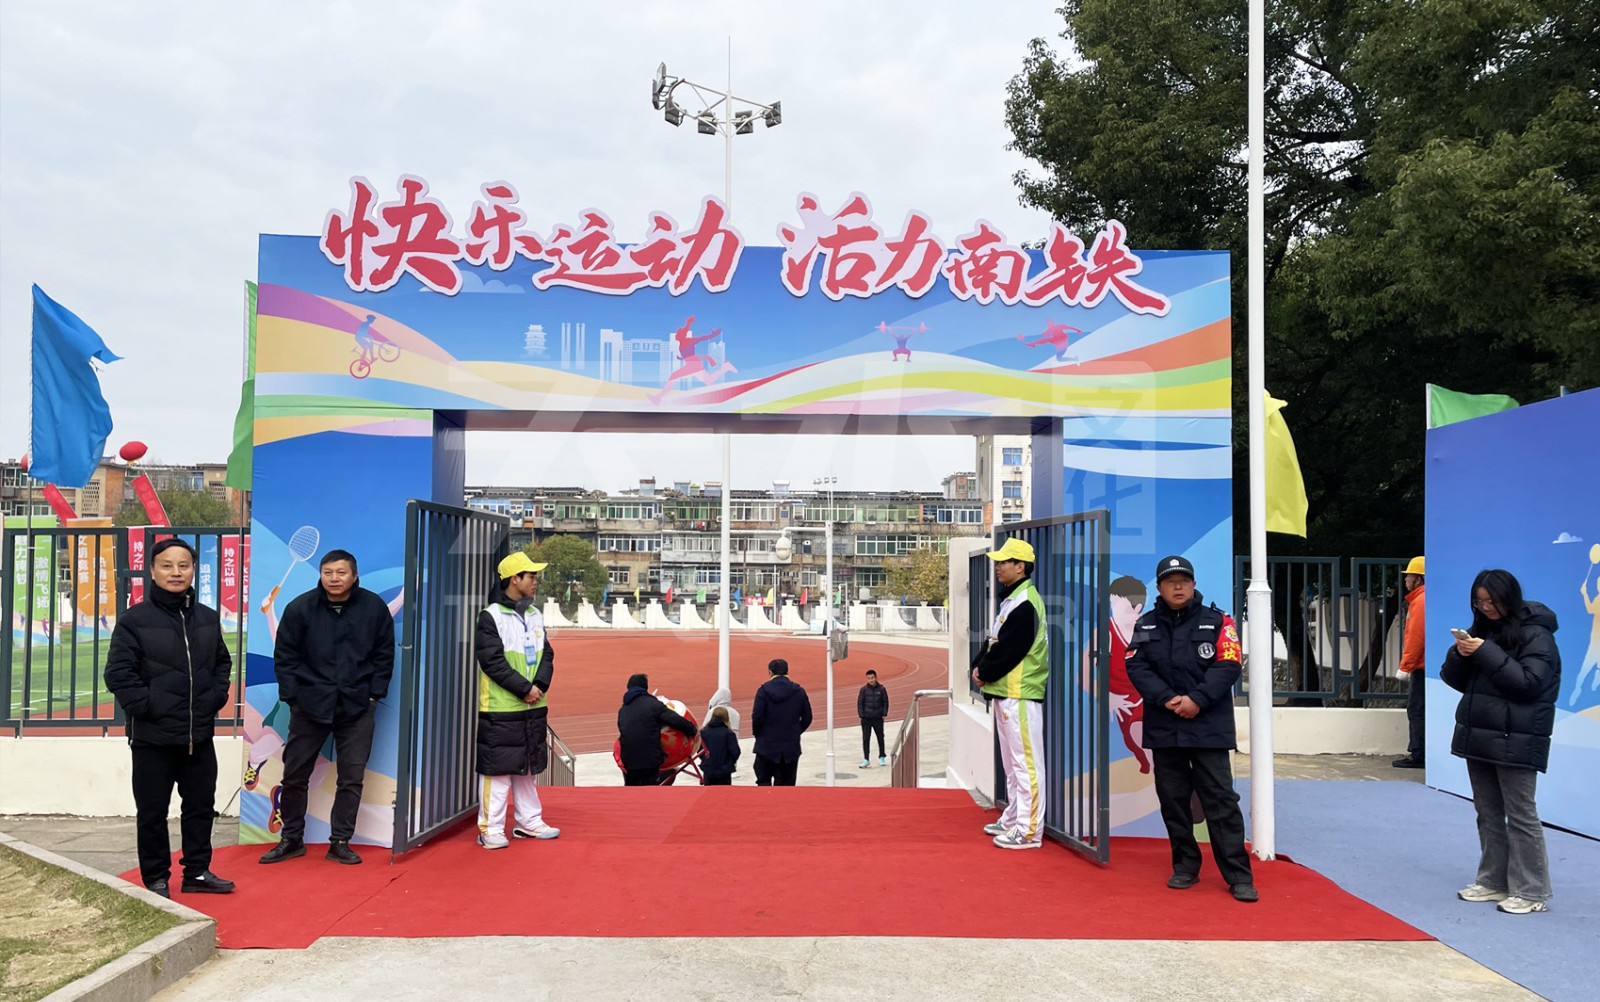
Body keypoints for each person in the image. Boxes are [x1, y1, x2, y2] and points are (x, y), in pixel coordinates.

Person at [104, 538, 235, 898]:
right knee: (152, 812)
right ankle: (156, 878)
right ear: (152, 570)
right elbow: (119, 675)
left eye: (183, 565)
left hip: (198, 735)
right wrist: (149, 707)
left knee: (200, 807)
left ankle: (197, 872)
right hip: (153, 738)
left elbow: (222, 663)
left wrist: (215, 698)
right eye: (167, 565)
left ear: (193, 570)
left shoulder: (207, 618)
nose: (176, 572)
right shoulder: (134, 621)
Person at [1125, 555, 1256, 901]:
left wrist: (1196, 699)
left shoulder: (1219, 621)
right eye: (1171, 582)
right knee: (1173, 800)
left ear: (1194, 584)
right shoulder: (1146, 624)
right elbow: (1136, 666)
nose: (1178, 587)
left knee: (1221, 800)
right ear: (1160, 587)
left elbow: (1229, 664)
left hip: (1209, 727)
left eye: (1183, 581)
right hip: (1165, 726)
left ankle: (1238, 875)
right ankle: (1185, 866)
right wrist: (1168, 698)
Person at [258, 549, 395, 866]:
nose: (334, 578)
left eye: (341, 572)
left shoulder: (373, 608)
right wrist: (293, 698)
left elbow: (384, 655)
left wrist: (373, 695)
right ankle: (291, 838)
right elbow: (285, 657)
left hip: (357, 705)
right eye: (328, 572)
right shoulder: (300, 608)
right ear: (320, 575)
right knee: (295, 775)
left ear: (354, 576)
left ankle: (341, 841)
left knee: (351, 777)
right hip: (309, 705)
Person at [1441, 569, 1561, 915]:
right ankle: (1493, 880)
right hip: (1479, 734)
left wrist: (1486, 652)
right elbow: (1455, 680)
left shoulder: (1537, 635)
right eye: (1479, 602)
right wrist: (1461, 654)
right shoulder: (1484, 632)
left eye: (1491, 601)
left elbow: (1528, 684)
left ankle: (1531, 890)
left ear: (1509, 598)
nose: (1485, 607)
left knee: (1521, 814)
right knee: (1488, 811)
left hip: (1518, 737)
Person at [471, 552, 561, 847]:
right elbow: (492, 662)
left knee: (528, 767)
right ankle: (490, 829)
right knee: (497, 770)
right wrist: (524, 688)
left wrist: (539, 685)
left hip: (534, 704)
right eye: (531, 576)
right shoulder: (491, 616)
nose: (535, 582)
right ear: (514, 579)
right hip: (501, 706)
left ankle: (529, 822)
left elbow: (547, 654)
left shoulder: (534, 614)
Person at [970, 538, 1049, 850]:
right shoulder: (1013, 599)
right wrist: (979, 667)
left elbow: (1011, 650)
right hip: (1007, 692)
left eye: (1005, 561)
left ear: (1021, 567)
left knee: (1026, 764)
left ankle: (1029, 831)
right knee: (1013, 764)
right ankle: (1014, 818)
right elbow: (995, 643)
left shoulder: (1026, 602)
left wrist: (984, 671)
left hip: (1020, 693)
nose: (998, 567)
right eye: (999, 561)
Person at [618, 672, 698, 786]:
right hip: (649, 758)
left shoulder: (623, 709)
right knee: (650, 791)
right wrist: (692, 730)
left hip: (628, 759)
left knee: (631, 790)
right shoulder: (653, 704)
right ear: (645, 687)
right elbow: (674, 718)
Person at [750, 658, 812, 786]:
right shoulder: (799, 691)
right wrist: (796, 731)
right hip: (790, 747)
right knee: (787, 786)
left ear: (770, 672)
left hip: (766, 746)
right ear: (787, 671)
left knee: (763, 783)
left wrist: (759, 735)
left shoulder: (763, 691)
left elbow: (757, 717)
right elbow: (807, 717)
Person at [1393, 556, 1427, 769]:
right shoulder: (1424, 599)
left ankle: (1418, 754)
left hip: (1421, 667)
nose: (1406, 580)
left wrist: (1405, 667)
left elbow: (1416, 637)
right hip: (1426, 665)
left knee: (1416, 710)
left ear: (1419, 579)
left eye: (1409, 576)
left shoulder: (1421, 601)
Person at [697, 706, 741, 785]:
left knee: (708, 791)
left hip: (708, 769)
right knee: (723, 791)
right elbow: (735, 751)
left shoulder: (703, 732)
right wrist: (730, 763)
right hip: (724, 770)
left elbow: (699, 750)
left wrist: (705, 760)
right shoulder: (729, 733)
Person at [857, 669, 890, 767]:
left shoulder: (882, 689)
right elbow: (860, 702)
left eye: (872, 678)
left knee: (880, 737)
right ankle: (866, 759)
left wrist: (884, 713)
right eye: (869, 678)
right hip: (866, 719)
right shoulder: (863, 690)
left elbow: (885, 702)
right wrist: (861, 715)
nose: (871, 680)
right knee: (866, 739)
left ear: (876, 677)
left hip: (878, 718)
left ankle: (882, 756)